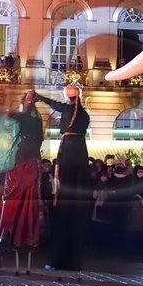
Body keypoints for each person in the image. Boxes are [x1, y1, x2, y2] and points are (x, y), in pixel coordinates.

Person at [38, 85, 90, 271]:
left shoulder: (69, 112)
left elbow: (55, 105)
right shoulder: (84, 115)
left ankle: (58, 257)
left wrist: (39, 97)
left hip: (69, 153)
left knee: (62, 206)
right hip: (80, 155)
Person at [0, 90, 45, 272]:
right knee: (24, 205)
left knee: (20, 203)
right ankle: (21, 237)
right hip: (29, 161)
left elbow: (13, 118)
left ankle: (13, 236)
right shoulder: (35, 119)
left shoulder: (26, 118)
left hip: (24, 162)